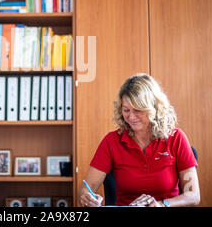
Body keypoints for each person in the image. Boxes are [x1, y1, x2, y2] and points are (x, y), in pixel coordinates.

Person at [79, 73, 200, 207]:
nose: (131, 117)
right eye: (126, 110)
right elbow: (85, 189)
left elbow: (193, 196)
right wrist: (87, 198)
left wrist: (161, 205)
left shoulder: (176, 138)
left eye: (137, 110)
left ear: (154, 108)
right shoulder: (111, 141)